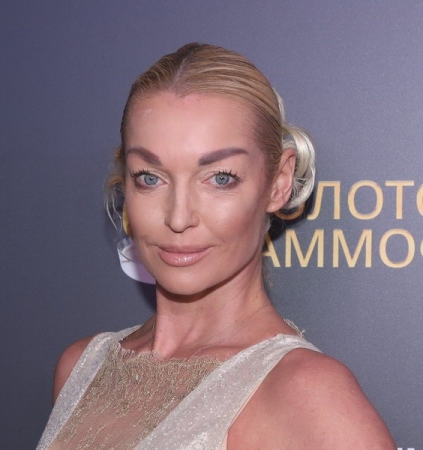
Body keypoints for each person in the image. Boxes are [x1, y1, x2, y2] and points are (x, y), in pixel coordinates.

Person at [37, 43, 395, 449]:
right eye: (150, 177)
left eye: (220, 178)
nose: (178, 217)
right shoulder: (81, 367)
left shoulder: (306, 395)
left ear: (279, 182)